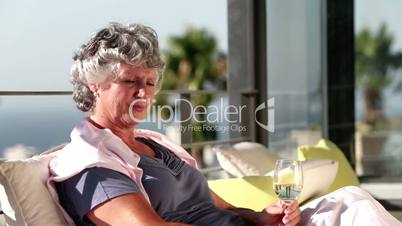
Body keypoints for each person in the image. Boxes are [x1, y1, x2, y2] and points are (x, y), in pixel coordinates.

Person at [49, 22, 401, 226]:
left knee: (351, 200)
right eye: (130, 81)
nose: (144, 91)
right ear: (95, 85)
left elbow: (223, 206)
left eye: (151, 82)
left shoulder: (153, 143)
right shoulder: (92, 164)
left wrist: (262, 217)